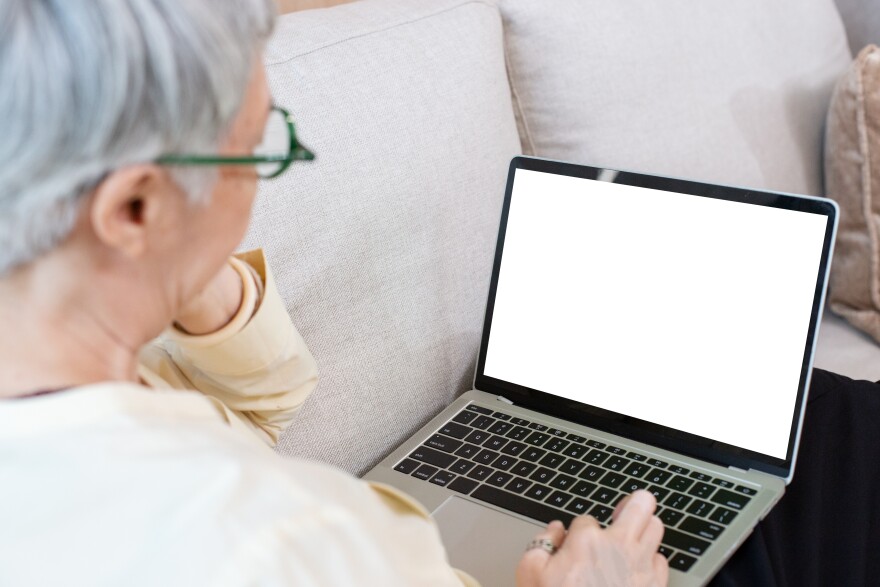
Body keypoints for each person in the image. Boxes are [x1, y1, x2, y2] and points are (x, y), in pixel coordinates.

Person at [0, 1, 668, 585]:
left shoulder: (86, 371)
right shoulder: (302, 542)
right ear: (133, 207)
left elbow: (241, 422)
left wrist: (170, 267)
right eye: (259, 147)